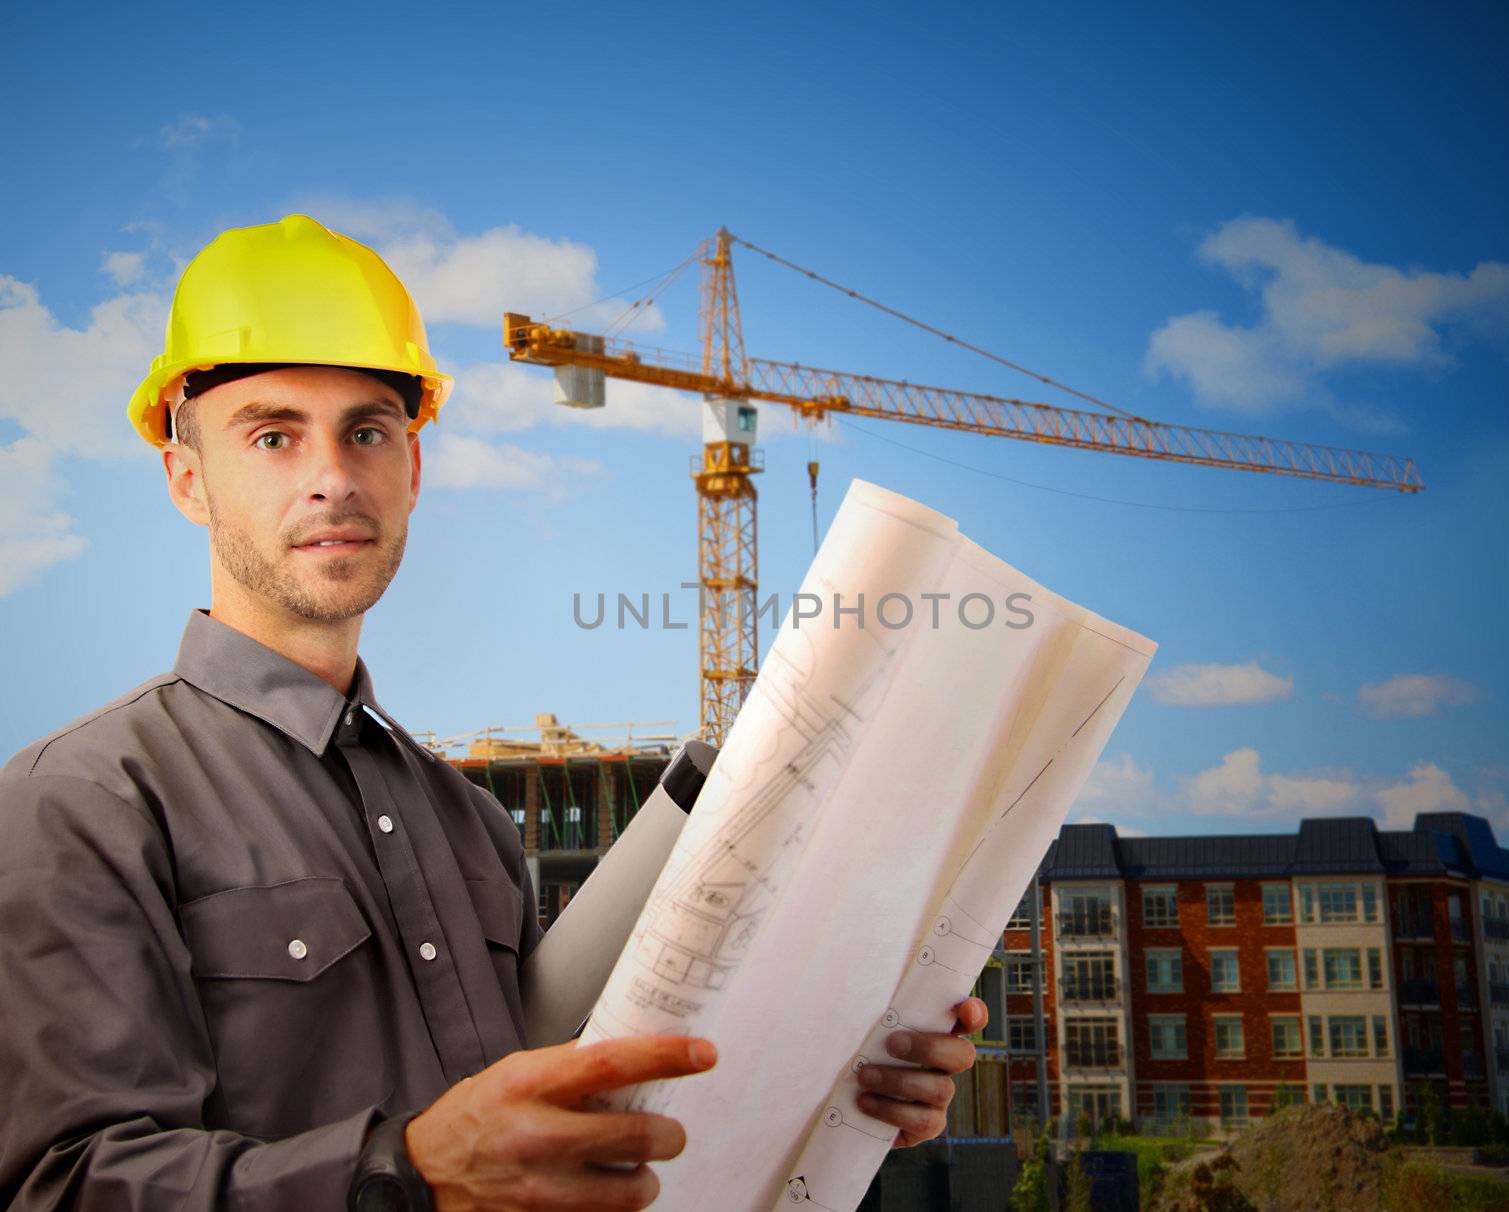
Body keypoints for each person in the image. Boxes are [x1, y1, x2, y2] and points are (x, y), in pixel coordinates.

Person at [0, 214, 988, 1211]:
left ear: (414, 472)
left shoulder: (467, 822)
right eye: (271, 435)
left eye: (369, 431)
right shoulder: (80, 803)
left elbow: (561, 1129)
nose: (333, 477)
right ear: (185, 477)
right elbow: (62, 1186)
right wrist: (411, 1175)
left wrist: (834, 1079)